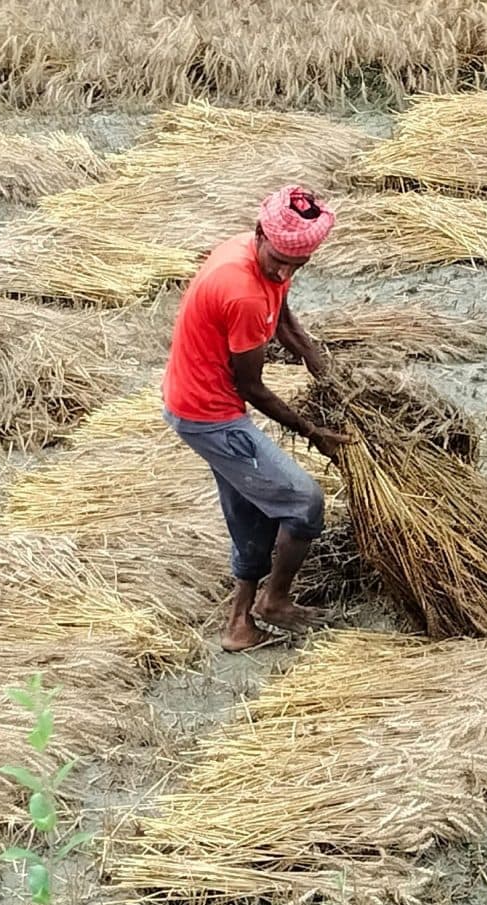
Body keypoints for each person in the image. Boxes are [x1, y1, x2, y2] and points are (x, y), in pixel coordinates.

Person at [161, 184, 356, 651]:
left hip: (202, 401)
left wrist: (328, 375)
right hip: (209, 414)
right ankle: (274, 601)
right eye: (280, 260)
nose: (286, 270)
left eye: (297, 264)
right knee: (304, 502)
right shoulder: (242, 292)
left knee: (252, 504)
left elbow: (286, 322)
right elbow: (250, 386)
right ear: (259, 234)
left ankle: (239, 625)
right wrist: (313, 433)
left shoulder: (267, 257)